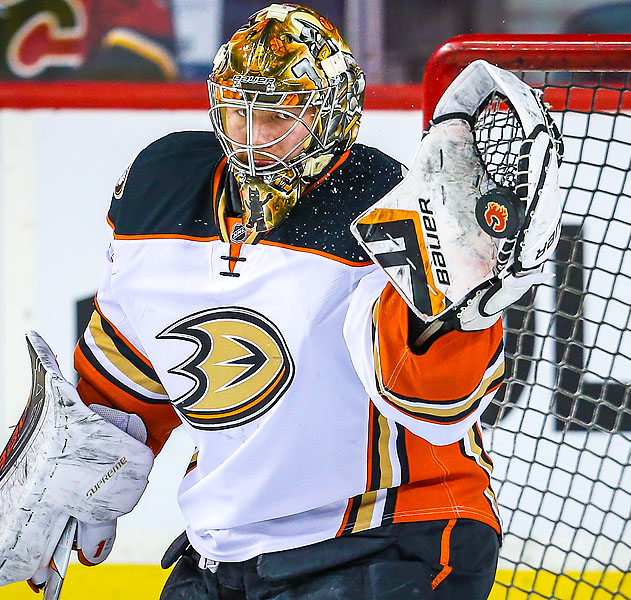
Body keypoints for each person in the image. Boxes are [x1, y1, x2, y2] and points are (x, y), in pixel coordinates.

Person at [69, 3, 560, 599]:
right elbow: (124, 374)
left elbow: (434, 405)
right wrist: (81, 469)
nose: (253, 140)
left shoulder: (389, 207)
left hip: (390, 537)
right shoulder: (163, 189)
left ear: (333, 115)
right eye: (239, 113)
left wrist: (466, 311)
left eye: (279, 116)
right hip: (225, 550)